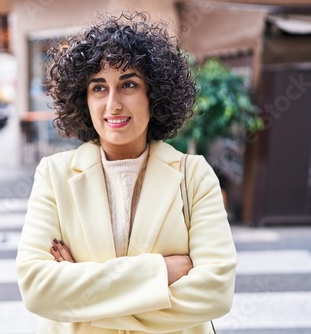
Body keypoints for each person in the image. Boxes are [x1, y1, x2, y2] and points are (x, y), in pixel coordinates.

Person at [16, 11, 237, 334]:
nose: (113, 104)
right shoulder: (54, 175)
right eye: (98, 88)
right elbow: (37, 289)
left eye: (128, 84)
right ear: (83, 97)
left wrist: (82, 299)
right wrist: (162, 271)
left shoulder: (194, 176)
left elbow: (215, 294)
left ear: (154, 94)